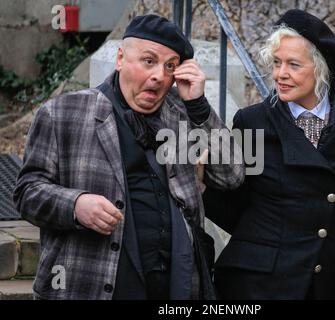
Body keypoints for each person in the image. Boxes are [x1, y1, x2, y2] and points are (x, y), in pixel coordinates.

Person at [13, 14, 244, 300]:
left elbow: (231, 175)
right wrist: (76, 204)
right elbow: (27, 193)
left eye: (170, 66)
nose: (160, 75)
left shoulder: (184, 115)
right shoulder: (62, 113)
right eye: (149, 61)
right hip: (93, 282)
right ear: (121, 58)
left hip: (176, 286)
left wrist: (199, 107)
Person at [202, 9, 335, 299]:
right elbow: (230, 207)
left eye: (294, 65)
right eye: (277, 63)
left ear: (321, 70)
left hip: (328, 281)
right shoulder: (252, 122)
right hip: (259, 283)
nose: (280, 74)